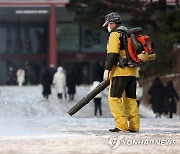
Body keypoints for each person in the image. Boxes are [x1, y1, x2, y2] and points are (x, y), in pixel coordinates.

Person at [102, 12, 139, 132]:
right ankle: (134, 126)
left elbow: (112, 54)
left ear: (112, 24)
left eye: (108, 24)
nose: (107, 27)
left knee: (114, 98)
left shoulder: (115, 35)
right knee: (130, 99)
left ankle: (121, 125)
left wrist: (107, 70)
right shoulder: (128, 34)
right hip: (132, 72)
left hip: (119, 72)